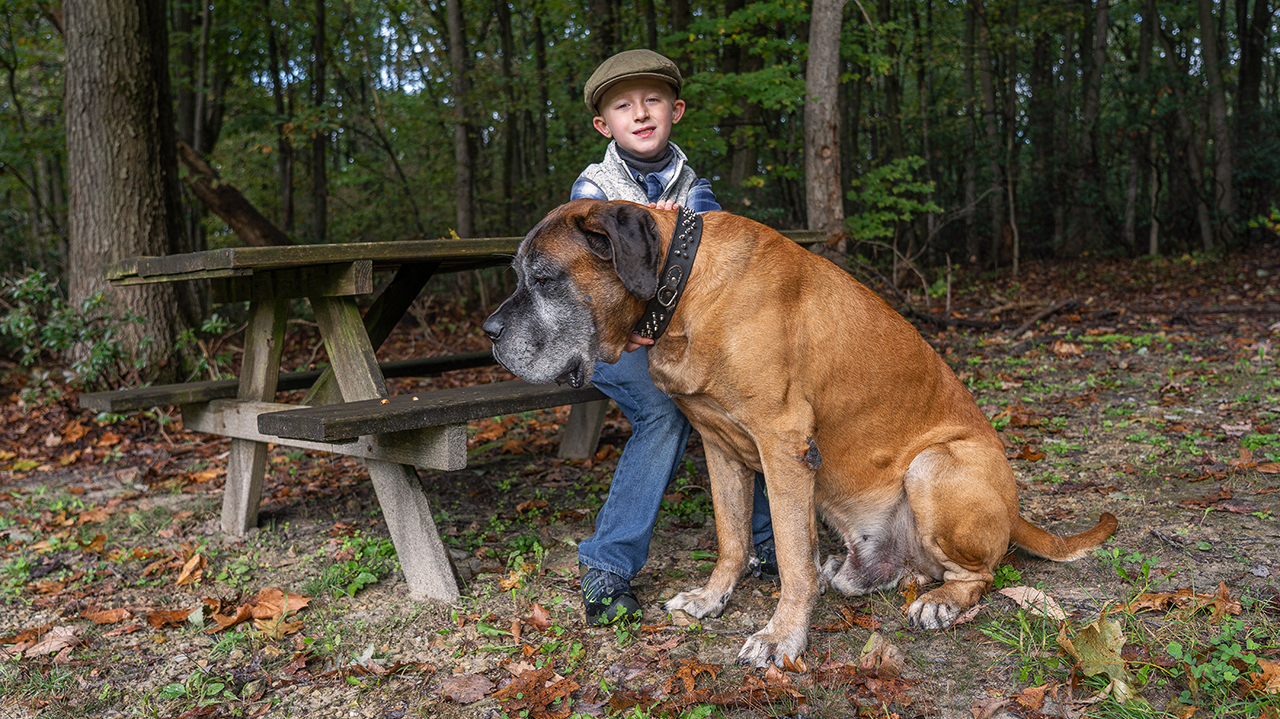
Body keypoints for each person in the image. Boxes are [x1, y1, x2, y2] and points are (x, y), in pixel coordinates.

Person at [570, 49, 775, 626]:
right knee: (667, 409)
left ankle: (767, 544)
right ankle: (607, 564)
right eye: (622, 105)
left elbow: (722, 257)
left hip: (679, 335)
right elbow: (592, 281)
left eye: (653, 100)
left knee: (744, 398)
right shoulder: (593, 189)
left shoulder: (693, 183)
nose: (640, 113)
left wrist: (687, 228)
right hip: (614, 338)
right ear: (602, 125)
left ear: (676, 110)